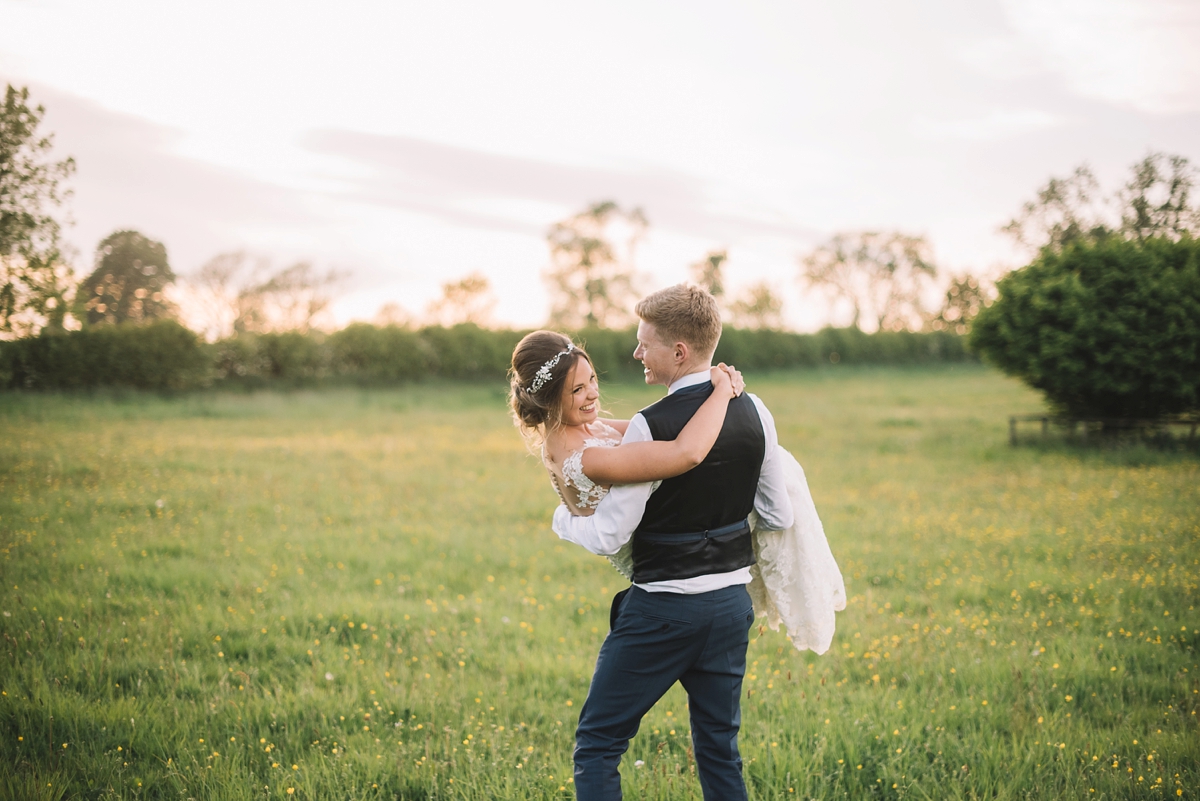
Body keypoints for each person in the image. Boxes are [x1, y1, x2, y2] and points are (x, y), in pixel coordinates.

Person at [547, 283, 795, 801]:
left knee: (597, 744)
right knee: (720, 751)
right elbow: (777, 512)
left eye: (645, 343)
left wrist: (562, 522)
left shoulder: (648, 425)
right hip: (730, 607)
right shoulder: (757, 411)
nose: (637, 352)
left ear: (678, 352)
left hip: (662, 611)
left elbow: (613, 532)